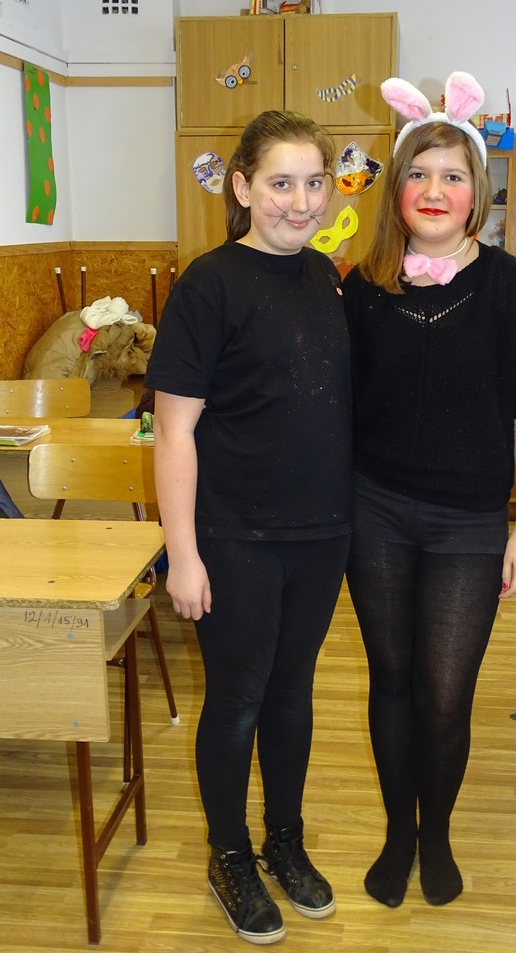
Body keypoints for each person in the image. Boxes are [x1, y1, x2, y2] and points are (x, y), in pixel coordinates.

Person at [342, 72, 516, 909]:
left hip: (469, 521)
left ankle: (437, 832)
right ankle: (400, 831)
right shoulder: (362, 288)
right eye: (420, 174)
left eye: (454, 175)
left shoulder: (513, 290)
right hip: (375, 510)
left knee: (444, 692)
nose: (435, 189)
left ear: (478, 194)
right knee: (391, 678)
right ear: (397, 190)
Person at [144, 110, 352, 945]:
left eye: (313, 183)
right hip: (234, 536)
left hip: (321, 533)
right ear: (241, 186)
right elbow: (173, 432)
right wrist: (184, 555)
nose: (300, 202)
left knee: (292, 694)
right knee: (237, 698)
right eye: (280, 183)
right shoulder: (209, 284)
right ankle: (229, 855)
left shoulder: (326, 277)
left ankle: (284, 843)